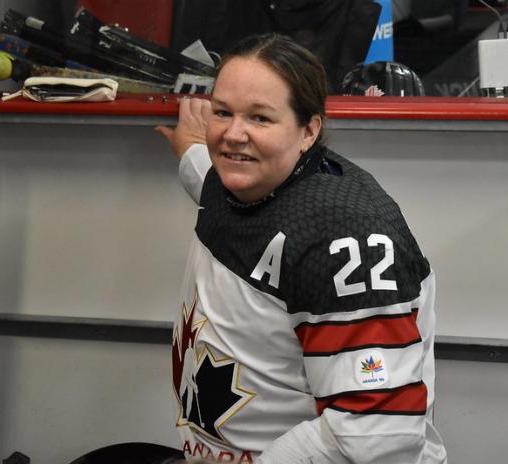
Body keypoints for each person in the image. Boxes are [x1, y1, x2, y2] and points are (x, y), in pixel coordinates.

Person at [157, 33, 447, 464]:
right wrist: (192, 147)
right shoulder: (243, 180)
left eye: (259, 118)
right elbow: (215, 185)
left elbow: (377, 433)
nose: (233, 135)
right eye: (223, 112)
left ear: (309, 130)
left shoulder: (345, 236)